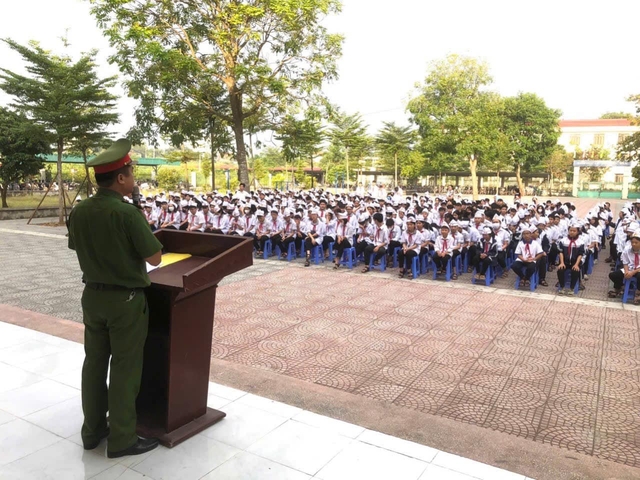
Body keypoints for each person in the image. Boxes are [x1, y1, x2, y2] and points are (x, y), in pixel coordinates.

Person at [67, 138, 161, 459]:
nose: (133, 177)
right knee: (124, 368)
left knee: (93, 364)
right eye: (131, 172)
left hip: (92, 296)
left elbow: (76, 247)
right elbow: (156, 257)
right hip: (125, 301)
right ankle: (122, 439)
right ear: (120, 178)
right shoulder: (126, 213)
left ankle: (92, 432)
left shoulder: (79, 211)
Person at [609, 231, 640, 302]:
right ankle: (620, 288)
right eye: (632, 242)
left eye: (636, 243)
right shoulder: (627, 250)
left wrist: (632, 272)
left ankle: (638, 293)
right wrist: (626, 272)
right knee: (613, 275)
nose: (634, 244)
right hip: (630, 268)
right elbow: (625, 262)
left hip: (638, 270)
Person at [557, 225, 584, 295]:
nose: (572, 232)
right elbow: (561, 252)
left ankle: (572, 288)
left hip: (575, 262)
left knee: (575, 270)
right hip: (565, 261)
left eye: (574, 231)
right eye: (570, 231)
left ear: (577, 232)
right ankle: (562, 287)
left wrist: (576, 264)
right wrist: (562, 262)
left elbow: (580, 255)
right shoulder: (563, 241)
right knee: (560, 270)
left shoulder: (580, 242)